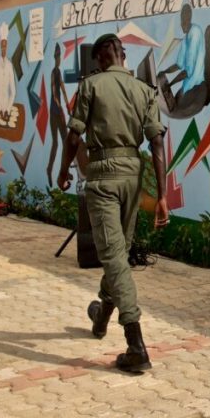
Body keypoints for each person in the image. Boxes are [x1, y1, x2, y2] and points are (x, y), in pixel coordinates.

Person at [57, 33, 168, 374]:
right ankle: (102, 315)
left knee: (114, 256)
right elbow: (157, 145)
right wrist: (162, 196)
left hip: (103, 175)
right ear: (123, 54)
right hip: (133, 176)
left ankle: (136, 344)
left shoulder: (91, 86)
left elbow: (75, 135)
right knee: (118, 250)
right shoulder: (145, 90)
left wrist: (63, 170)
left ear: (99, 59)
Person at [158, 4, 205, 110]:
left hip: (197, 86)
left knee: (175, 107)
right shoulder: (185, 38)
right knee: (171, 105)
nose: (181, 24)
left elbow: (188, 71)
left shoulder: (195, 33)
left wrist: (170, 85)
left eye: (183, 20)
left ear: (189, 18)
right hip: (188, 85)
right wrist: (164, 72)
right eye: (181, 20)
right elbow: (179, 65)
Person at [47, 43, 70, 187]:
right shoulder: (53, 72)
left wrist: (68, 105)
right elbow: (54, 91)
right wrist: (61, 107)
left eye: (60, 57)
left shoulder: (59, 72)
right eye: (57, 57)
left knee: (65, 141)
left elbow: (62, 89)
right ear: (55, 58)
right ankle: (49, 170)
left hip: (60, 110)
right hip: (54, 112)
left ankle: (64, 171)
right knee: (56, 143)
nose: (59, 59)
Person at [0, 24, 16, 124]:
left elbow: (13, 92)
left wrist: (8, 110)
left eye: (5, 46)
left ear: (7, 46)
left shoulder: (10, 66)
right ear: (0, 47)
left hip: (8, 106)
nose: (4, 48)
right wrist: (0, 109)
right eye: (2, 46)